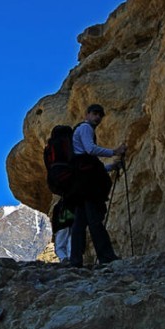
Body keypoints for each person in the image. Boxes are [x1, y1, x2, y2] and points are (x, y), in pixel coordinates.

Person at [69, 104, 126, 267]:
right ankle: (106, 256)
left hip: (80, 184)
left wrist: (110, 167)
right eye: (95, 114)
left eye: (100, 115)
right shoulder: (86, 128)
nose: (98, 117)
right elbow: (90, 149)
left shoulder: (78, 131)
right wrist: (114, 152)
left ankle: (75, 260)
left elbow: (91, 165)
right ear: (86, 115)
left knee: (79, 223)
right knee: (94, 220)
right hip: (88, 186)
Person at [50, 198, 74, 263]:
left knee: (59, 247)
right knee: (70, 244)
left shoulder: (58, 206)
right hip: (72, 226)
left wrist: (55, 231)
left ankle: (64, 259)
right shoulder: (72, 203)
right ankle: (71, 259)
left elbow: (54, 219)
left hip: (61, 227)